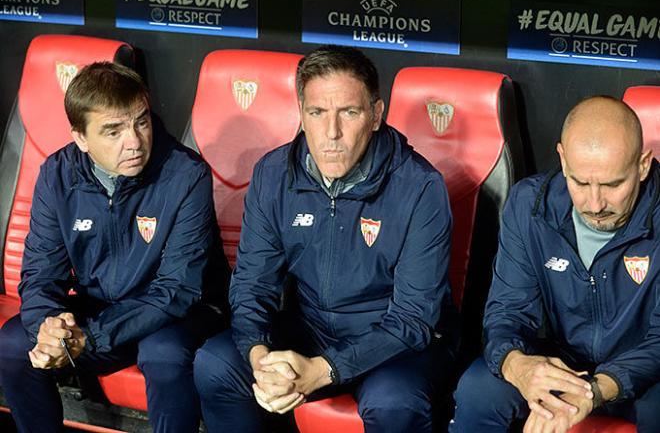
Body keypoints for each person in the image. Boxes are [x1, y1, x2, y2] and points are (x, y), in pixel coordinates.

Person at [193, 45, 458, 432]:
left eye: (349, 113)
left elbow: (413, 319)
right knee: (216, 364)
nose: (331, 133)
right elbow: (252, 286)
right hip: (312, 328)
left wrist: (324, 370)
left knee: (393, 402)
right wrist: (259, 356)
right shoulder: (273, 174)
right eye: (318, 113)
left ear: (376, 115)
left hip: (394, 344)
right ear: (301, 115)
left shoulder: (420, 186)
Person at [0, 62, 230, 433]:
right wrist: (51, 327)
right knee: (13, 343)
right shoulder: (57, 174)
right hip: (101, 307)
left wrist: (91, 337)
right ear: (81, 139)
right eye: (113, 131)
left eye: (141, 121)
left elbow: (177, 289)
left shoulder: (186, 174)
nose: (135, 142)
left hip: (179, 311)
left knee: (164, 354)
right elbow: (41, 272)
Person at [450, 96, 660, 433]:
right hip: (566, 361)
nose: (595, 203)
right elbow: (507, 312)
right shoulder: (529, 205)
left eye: (613, 184)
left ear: (643, 165)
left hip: (646, 372)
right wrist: (518, 366)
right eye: (580, 182)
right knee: (479, 389)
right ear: (562, 161)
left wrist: (595, 389)